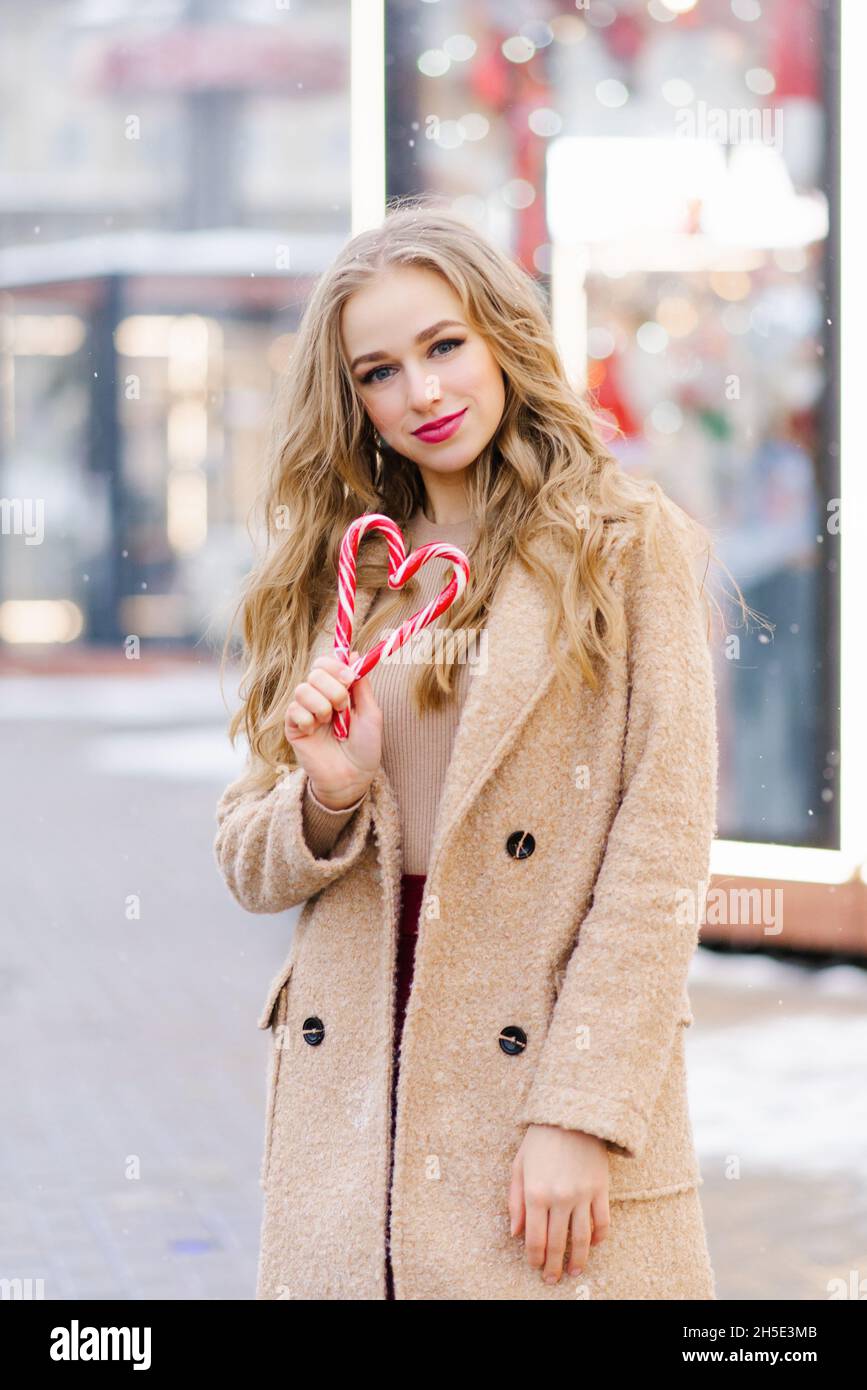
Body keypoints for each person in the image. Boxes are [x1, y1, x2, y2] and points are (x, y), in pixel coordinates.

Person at [213, 198, 758, 1300]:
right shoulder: (340, 566)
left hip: (537, 1067)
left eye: (444, 345)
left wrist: (582, 1112)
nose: (421, 392)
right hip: (356, 1093)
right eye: (379, 371)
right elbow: (246, 858)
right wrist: (328, 796)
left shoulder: (620, 543)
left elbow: (659, 853)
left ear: (502, 337)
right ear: (351, 397)